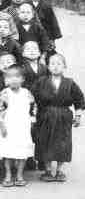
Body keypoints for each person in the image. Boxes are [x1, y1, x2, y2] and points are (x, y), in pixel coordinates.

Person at [32, 54, 84, 182]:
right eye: (52, 64)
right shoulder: (41, 82)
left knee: (63, 143)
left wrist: (78, 116)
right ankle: (48, 170)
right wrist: (33, 116)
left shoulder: (70, 83)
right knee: (45, 142)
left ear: (64, 66)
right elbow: (32, 99)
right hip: (45, 116)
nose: (55, 66)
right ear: (48, 67)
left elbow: (79, 100)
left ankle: (59, 170)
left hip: (63, 117)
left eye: (59, 63)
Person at [0, 65, 35, 187]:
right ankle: (8, 174)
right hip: (8, 126)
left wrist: (32, 122)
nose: (14, 79)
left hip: (23, 126)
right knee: (8, 151)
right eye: (10, 77)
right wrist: (1, 125)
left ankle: (19, 175)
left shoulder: (26, 93)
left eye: (17, 76)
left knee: (22, 150)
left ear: (23, 79)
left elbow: (33, 109)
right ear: (6, 80)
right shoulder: (4, 94)